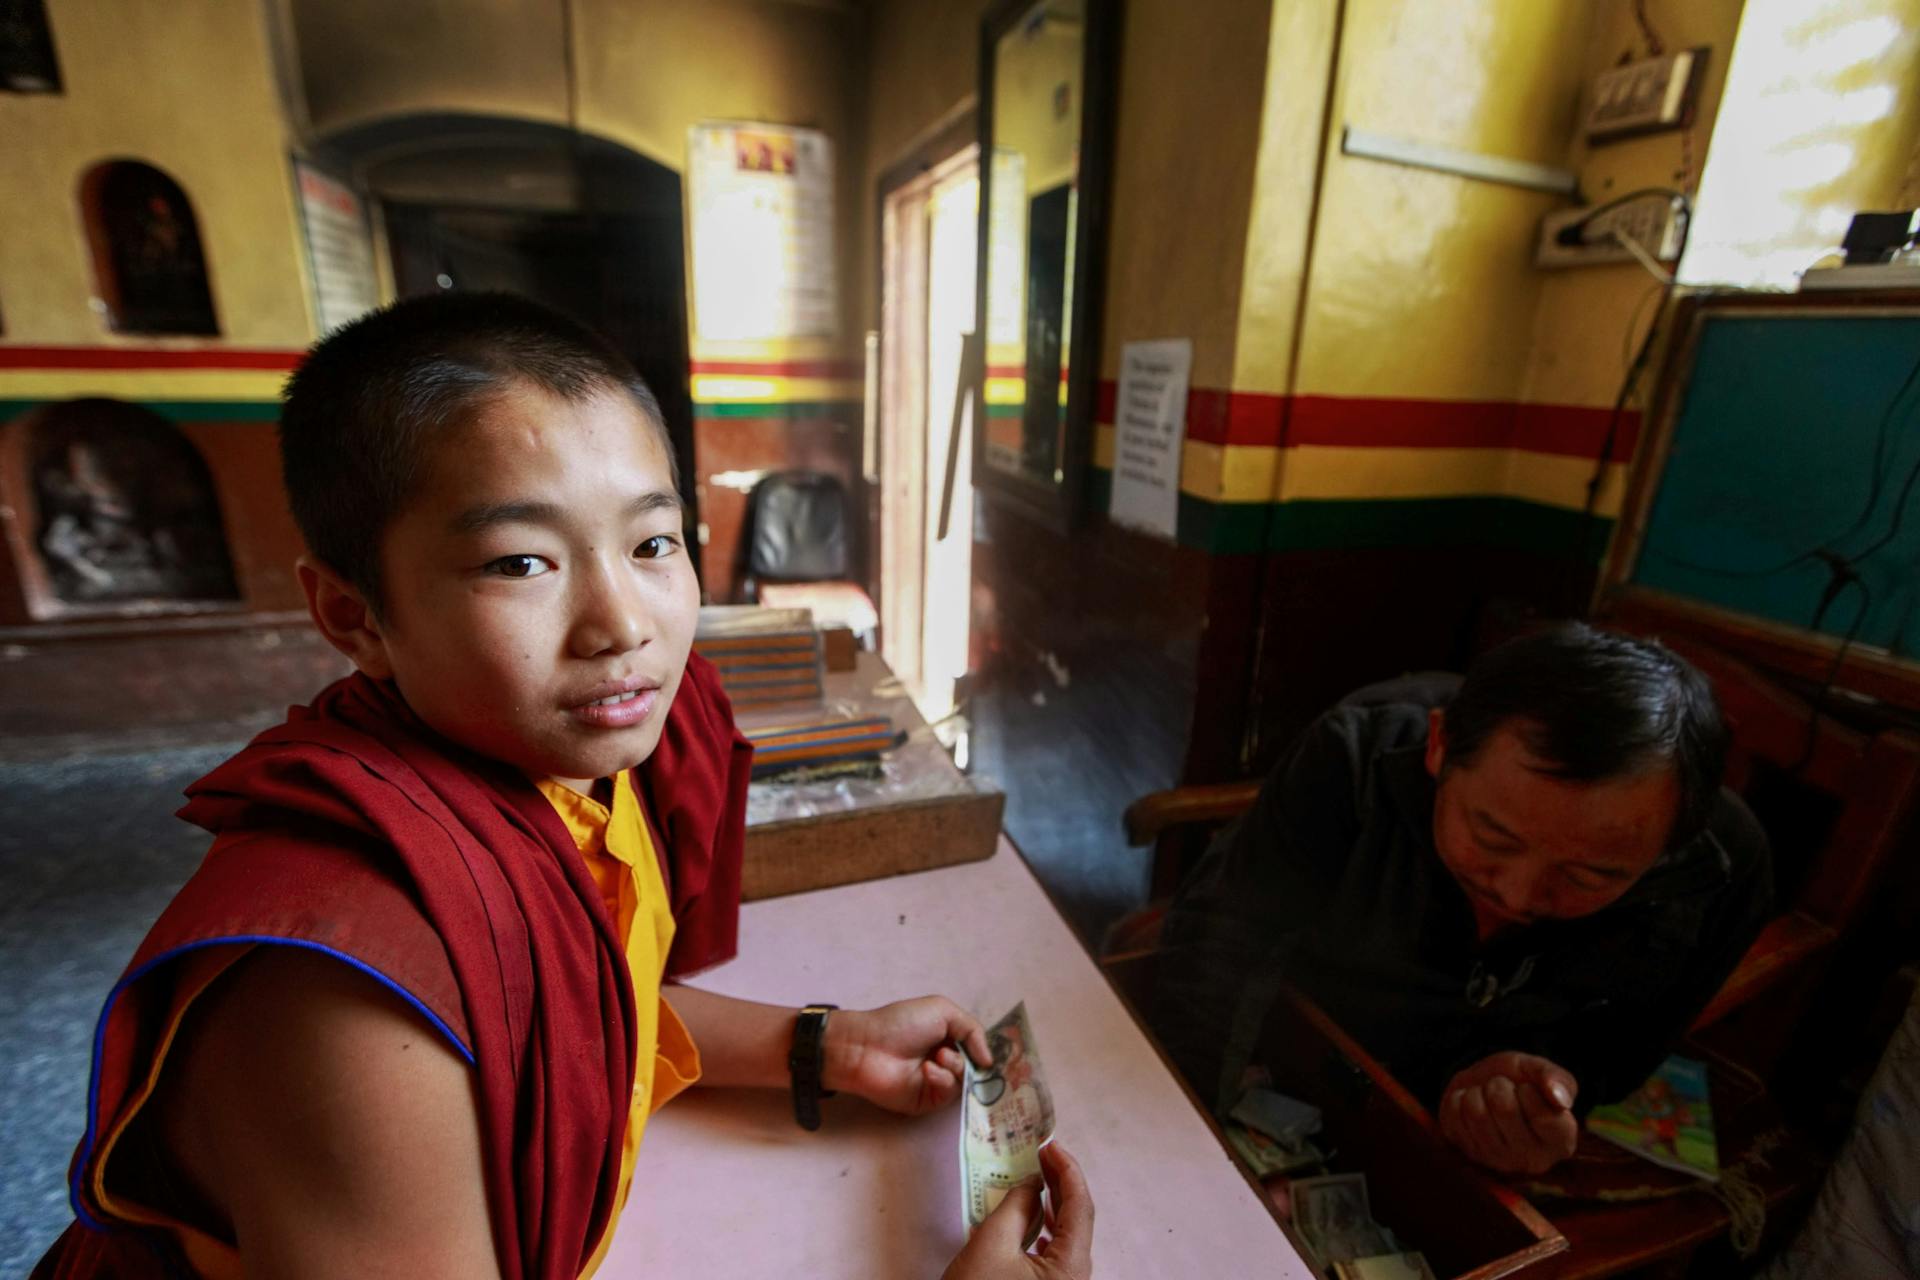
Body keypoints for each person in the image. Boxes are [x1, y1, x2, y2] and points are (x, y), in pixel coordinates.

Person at [35, 293, 1093, 1280]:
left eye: (652, 542)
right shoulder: (341, 1006)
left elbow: (576, 1006)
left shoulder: (558, 769)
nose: (622, 623)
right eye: (520, 562)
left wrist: (817, 1042)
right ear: (354, 615)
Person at [1151, 623, 1771, 1177]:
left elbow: (1624, 1053)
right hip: (1305, 1056)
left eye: (1587, 876)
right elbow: (1220, 944)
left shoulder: (1721, 871)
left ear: (1669, 847)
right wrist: (1182, 1145)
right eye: (1492, 836)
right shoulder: (1357, 756)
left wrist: (1533, 1096)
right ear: (1440, 746)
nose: (1516, 893)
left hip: (1452, 1155)